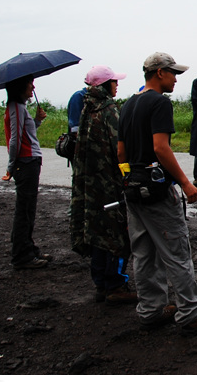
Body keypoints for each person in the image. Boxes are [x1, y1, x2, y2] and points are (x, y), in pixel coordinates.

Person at [117, 52, 197, 335]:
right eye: (173, 73)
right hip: (157, 190)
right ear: (159, 73)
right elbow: (161, 147)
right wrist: (186, 183)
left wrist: (130, 177)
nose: (176, 78)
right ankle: (190, 313)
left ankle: (150, 310)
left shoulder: (128, 105)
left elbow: (120, 152)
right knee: (177, 253)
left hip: (134, 190)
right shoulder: (160, 103)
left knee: (143, 253)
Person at [70, 65, 138, 305]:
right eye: (114, 82)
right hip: (109, 184)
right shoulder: (108, 109)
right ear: (104, 85)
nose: (117, 85)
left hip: (90, 186)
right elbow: (120, 149)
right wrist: (128, 177)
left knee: (97, 232)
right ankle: (115, 285)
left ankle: (101, 282)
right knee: (115, 235)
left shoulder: (86, 107)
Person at [5, 76, 49, 270]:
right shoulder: (16, 107)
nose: (33, 86)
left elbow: (27, 135)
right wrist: (11, 166)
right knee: (24, 209)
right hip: (26, 161)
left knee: (28, 208)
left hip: (29, 160)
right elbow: (14, 139)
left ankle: (28, 248)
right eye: (30, 83)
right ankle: (22, 255)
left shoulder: (20, 107)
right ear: (20, 86)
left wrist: (37, 121)